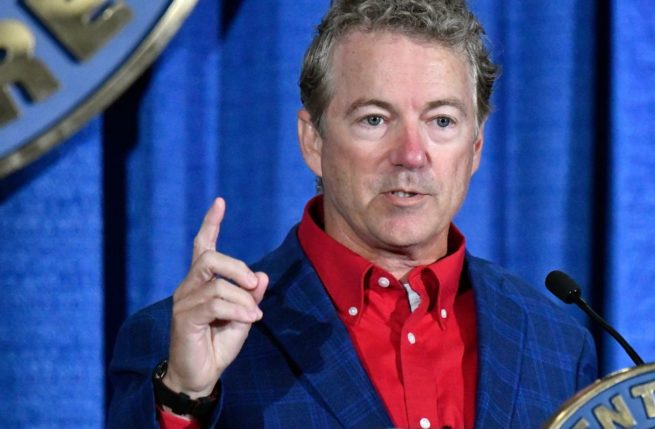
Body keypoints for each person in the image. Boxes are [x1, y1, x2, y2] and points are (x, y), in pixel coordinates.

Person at [107, 0, 598, 428]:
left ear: (475, 147)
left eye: (442, 120)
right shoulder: (187, 342)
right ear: (313, 141)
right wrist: (183, 400)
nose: (411, 153)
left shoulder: (554, 341)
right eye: (374, 119)